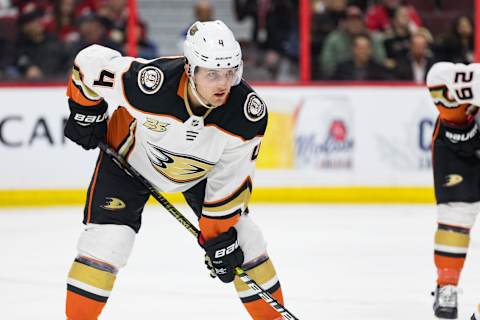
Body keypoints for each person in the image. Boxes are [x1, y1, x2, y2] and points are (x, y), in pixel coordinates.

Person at [63, 20, 285, 320]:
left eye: (231, 72)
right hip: (128, 160)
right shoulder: (149, 85)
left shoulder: (247, 115)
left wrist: (218, 239)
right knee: (108, 241)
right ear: (190, 69)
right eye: (212, 74)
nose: (223, 83)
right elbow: (89, 63)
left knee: (245, 241)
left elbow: (232, 180)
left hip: (200, 173)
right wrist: (86, 112)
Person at [426, 62, 480, 319]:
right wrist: (456, 118)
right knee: (457, 214)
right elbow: (437, 76)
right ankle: (446, 285)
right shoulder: (473, 79)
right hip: (458, 147)